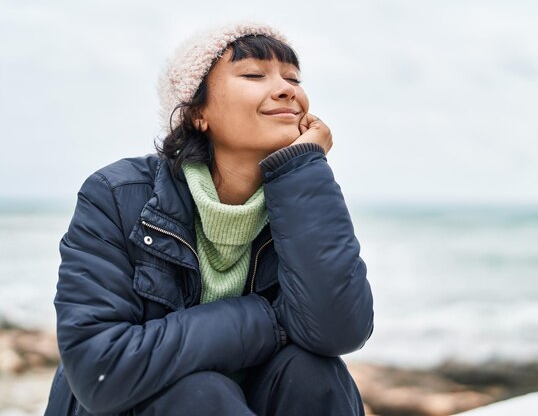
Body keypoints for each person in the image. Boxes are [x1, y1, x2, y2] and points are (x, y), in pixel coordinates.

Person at [44, 22, 374, 416]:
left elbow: (338, 332)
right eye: (254, 74)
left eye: (293, 78)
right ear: (197, 113)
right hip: (139, 407)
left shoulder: (303, 198)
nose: (288, 90)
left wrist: (303, 168)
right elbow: (103, 368)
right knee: (199, 393)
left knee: (315, 373)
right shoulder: (116, 195)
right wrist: (265, 320)